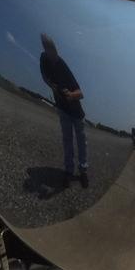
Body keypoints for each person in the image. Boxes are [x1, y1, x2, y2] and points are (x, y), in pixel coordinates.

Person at [39, 34, 88, 187]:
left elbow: (81, 94)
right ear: (45, 50)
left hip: (77, 113)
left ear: (56, 50)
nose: (51, 54)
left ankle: (83, 171)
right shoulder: (44, 59)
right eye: (47, 50)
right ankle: (68, 170)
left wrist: (71, 95)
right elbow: (44, 76)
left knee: (81, 142)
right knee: (67, 140)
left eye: (52, 51)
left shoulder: (63, 66)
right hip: (63, 110)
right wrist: (51, 86)